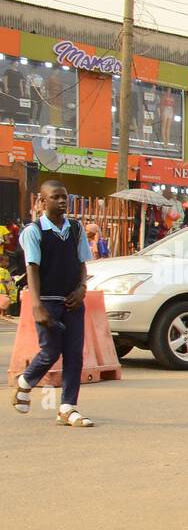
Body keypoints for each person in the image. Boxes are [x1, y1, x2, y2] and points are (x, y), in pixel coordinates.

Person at [9, 180, 94, 427]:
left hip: (73, 302)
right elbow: (32, 268)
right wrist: (36, 304)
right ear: (42, 201)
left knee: (74, 355)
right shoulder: (34, 231)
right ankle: (25, 382)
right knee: (49, 352)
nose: (61, 201)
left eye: (64, 197)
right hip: (47, 301)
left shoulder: (76, 230)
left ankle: (67, 408)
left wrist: (82, 288)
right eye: (55, 197)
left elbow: (82, 264)